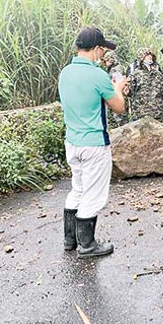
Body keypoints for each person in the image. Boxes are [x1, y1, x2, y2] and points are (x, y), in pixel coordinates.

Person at [57, 27, 127, 258]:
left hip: (72, 142)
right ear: (97, 49)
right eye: (103, 50)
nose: (104, 55)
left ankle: (70, 240)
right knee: (93, 195)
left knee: (77, 188)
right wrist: (118, 88)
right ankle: (87, 245)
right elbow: (119, 107)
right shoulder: (98, 76)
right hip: (94, 144)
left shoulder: (65, 73)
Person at [128, 48, 163, 124]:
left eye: (150, 55)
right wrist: (125, 89)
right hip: (141, 115)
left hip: (157, 114)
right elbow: (129, 91)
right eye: (147, 55)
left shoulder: (157, 74)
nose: (150, 56)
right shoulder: (135, 74)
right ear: (141, 57)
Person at [100, 50, 128, 128]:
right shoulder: (110, 69)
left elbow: (119, 84)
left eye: (107, 61)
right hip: (112, 97)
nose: (105, 63)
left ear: (111, 60)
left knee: (120, 120)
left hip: (117, 97)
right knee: (113, 121)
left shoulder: (117, 69)